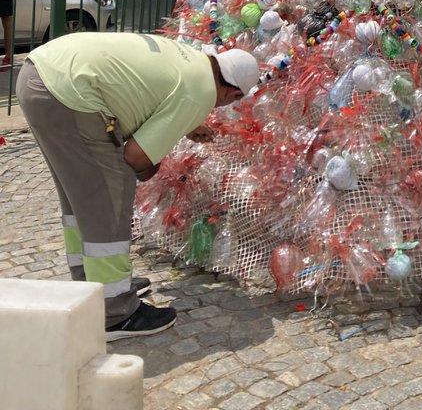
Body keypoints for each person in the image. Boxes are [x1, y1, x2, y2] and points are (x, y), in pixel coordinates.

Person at [16, 32, 259, 338]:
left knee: (79, 194)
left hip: (40, 73)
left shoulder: (194, 61)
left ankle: (92, 286)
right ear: (234, 94)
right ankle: (116, 312)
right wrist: (155, 161)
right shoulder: (200, 94)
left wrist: (186, 124)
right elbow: (135, 157)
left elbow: (155, 92)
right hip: (70, 94)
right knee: (109, 194)